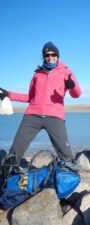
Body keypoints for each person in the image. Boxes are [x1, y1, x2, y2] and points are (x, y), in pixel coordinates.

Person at [0, 42, 81, 171]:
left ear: (57, 55)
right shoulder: (37, 74)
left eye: (53, 54)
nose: (50, 57)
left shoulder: (66, 72)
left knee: (66, 155)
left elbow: (77, 94)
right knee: (15, 150)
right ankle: (8, 176)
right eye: (47, 55)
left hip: (54, 116)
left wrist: (72, 87)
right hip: (32, 115)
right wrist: (8, 94)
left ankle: (67, 178)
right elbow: (29, 97)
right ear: (44, 56)